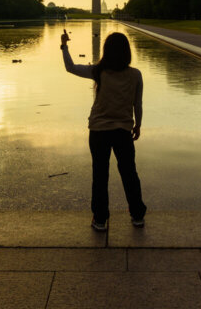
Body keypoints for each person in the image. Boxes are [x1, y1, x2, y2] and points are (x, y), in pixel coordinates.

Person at [60, 28, 146, 231]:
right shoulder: (135, 74)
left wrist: (64, 46)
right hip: (123, 130)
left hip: (98, 130)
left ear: (106, 51)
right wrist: (138, 124)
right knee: (129, 173)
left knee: (100, 174)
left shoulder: (98, 71)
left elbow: (70, 67)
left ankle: (100, 219)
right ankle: (137, 215)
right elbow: (137, 104)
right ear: (127, 52)